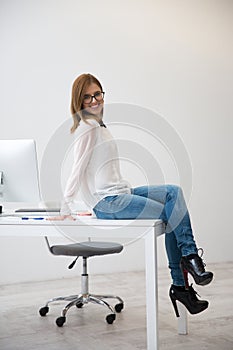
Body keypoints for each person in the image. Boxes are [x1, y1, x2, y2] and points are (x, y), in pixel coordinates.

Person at [52, 73, 213, 317]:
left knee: (173, 194)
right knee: (171, 214)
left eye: (98, 94)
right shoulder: (87, 127)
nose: (95, 100)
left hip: (121, 193)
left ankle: (188, 263)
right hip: (108, 202)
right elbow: (77, 169)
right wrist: (66, 206)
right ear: (79, 102)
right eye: (87, 97)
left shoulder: (99, 126)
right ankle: (183, 280)